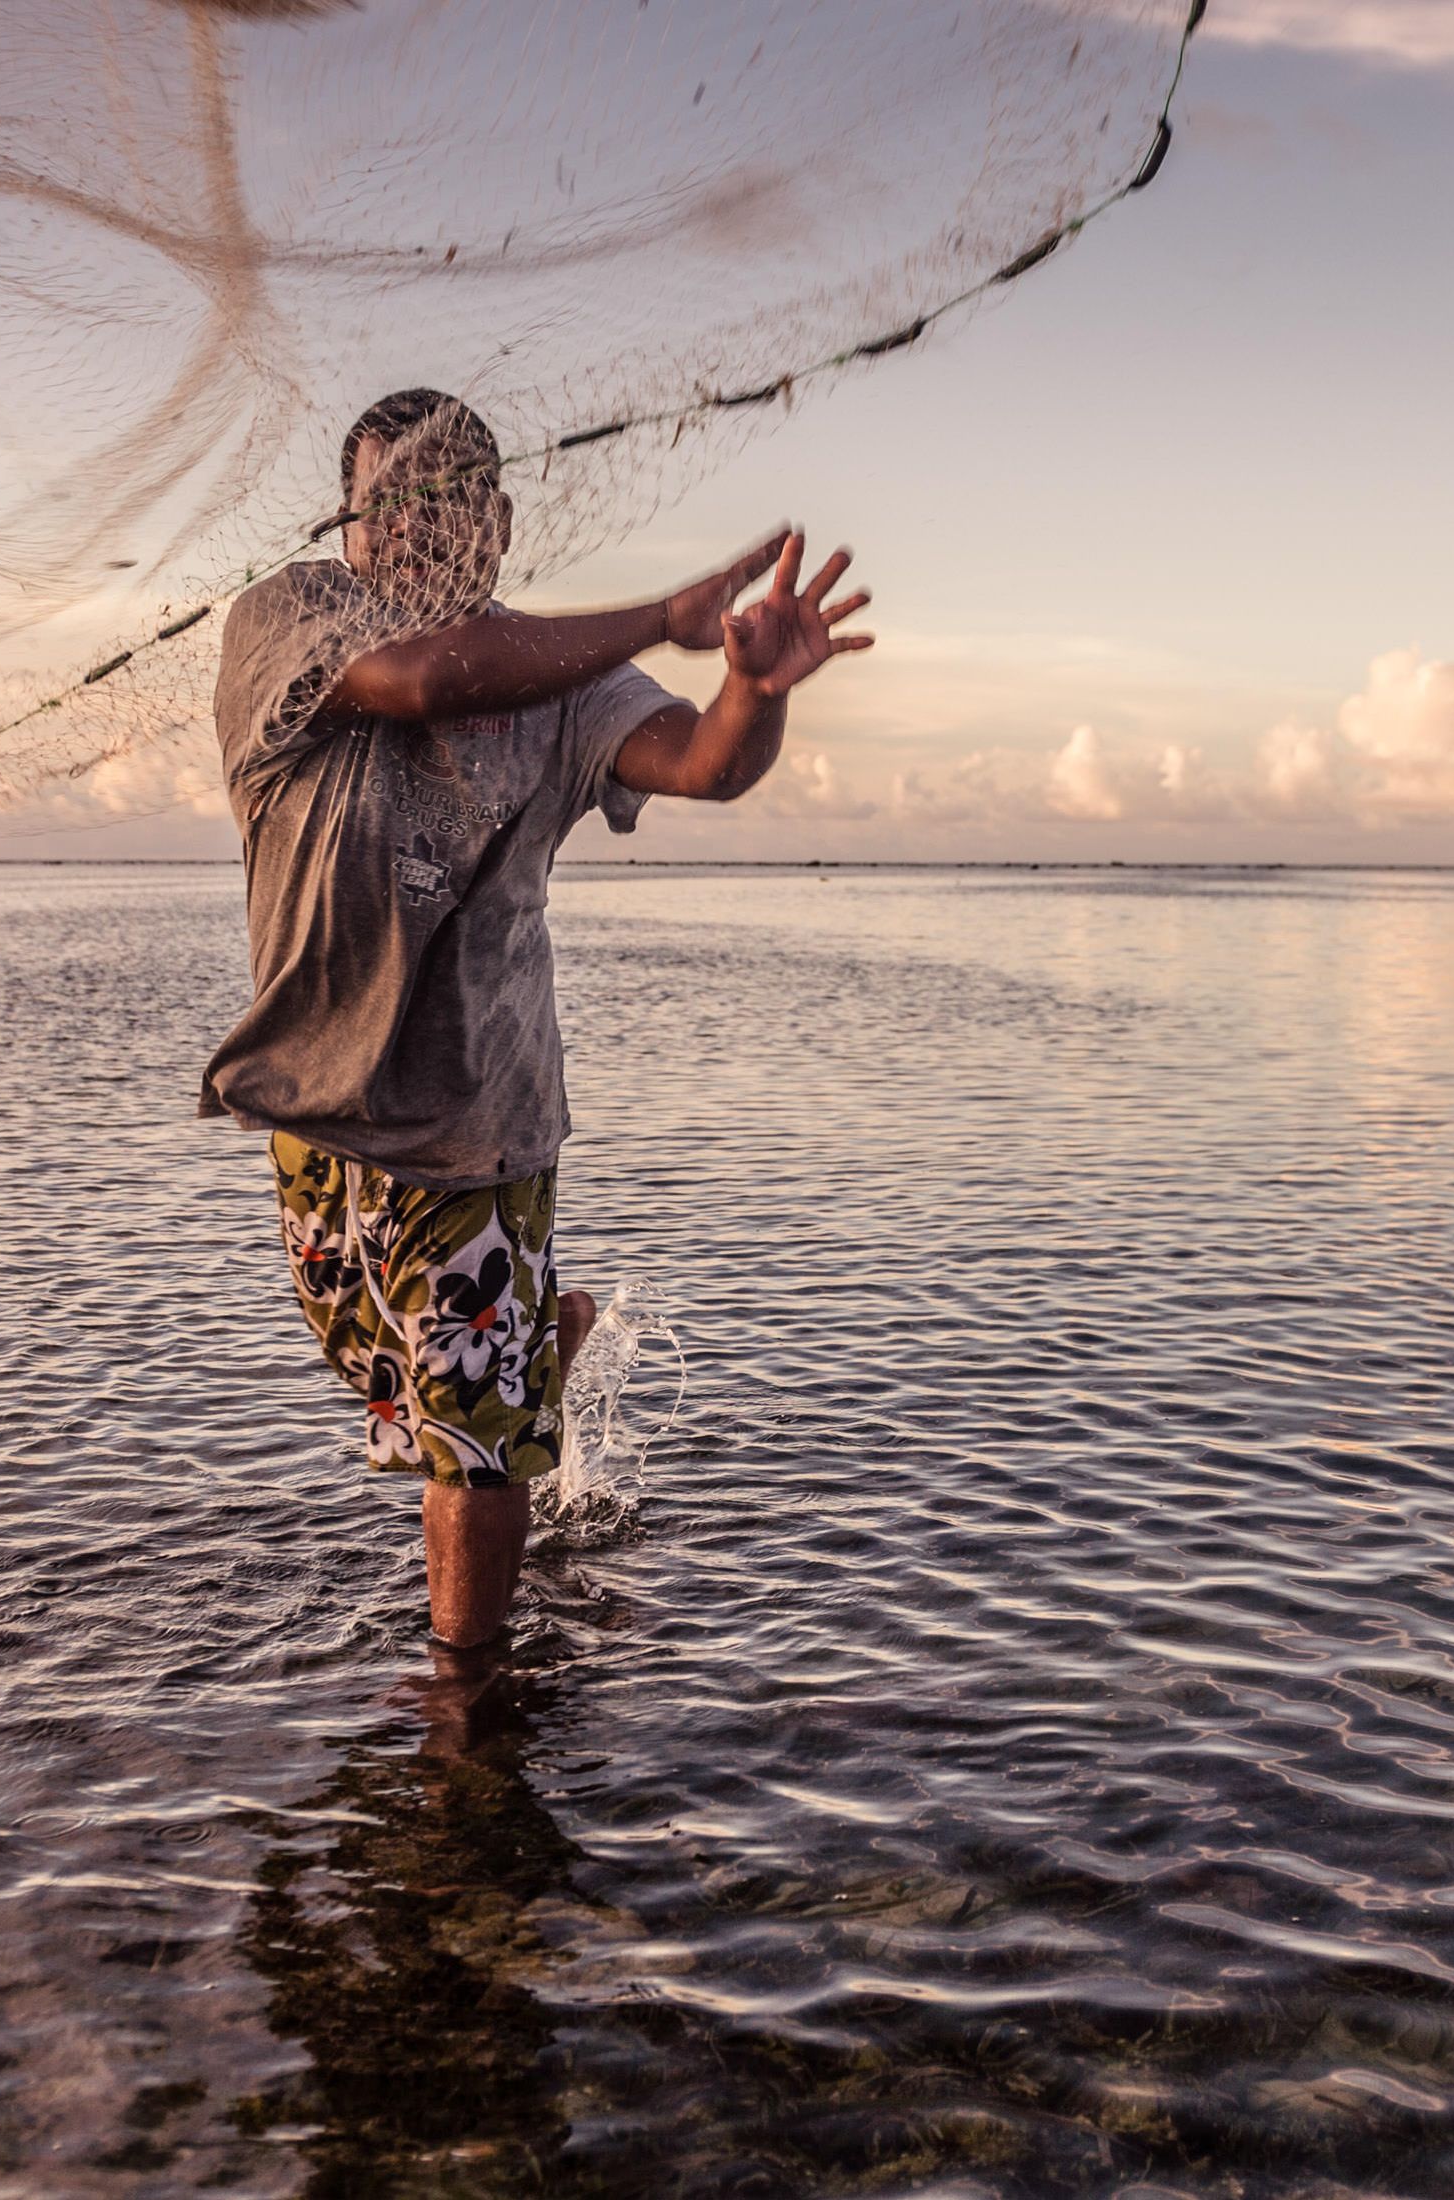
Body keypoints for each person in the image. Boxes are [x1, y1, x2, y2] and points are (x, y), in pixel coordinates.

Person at [200, 388, 869, 1664]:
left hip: (480, 1120)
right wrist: (661, 615)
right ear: (349, 531)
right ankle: (533, 1347)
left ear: (499, 521)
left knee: (465, 1436)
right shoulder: (286, 621)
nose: (418, 527)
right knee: (381, 1369)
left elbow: (706, 760)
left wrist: (751, 684)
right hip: (318, 1102)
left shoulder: (568, 678)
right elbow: (417, 677)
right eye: (386, 505)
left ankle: (468, 1715)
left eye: (452, 498)